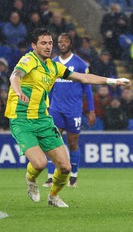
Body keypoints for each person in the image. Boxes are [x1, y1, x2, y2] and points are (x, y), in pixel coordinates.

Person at [4, 28, 130, 208]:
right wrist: (18, 91)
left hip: (43, 120)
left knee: (65, 167)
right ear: (34, 45)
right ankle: (31, 180)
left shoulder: (53, 66)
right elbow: (15, 76)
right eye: (43, 43)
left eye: (50, 43)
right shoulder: (28, 60)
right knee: (39, 164)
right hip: (22, 119)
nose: (48, 47)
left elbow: (84, 78)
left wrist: (113, 81)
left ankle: (53, 196)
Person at [42, 33, 96, 188]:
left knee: (73, 143)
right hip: (56, 109)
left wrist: (91, 110)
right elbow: (49, 87)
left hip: (73, 110)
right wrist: (47, 106)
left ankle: (73, 177)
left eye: (65, 41)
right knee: (53, 142)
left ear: (70, 43)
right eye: (59, 41)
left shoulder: (80, 64)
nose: (62, 44)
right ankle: (51, 176)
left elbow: (87, 88)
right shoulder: (52, 63)